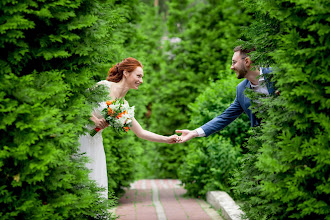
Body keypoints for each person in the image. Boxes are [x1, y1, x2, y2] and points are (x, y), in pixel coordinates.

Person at [79, 57, 179, 199]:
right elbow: (79, 103)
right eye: (138, 76)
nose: (141, 80)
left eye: (142, 77)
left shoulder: (123, 105)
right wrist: (94, 120)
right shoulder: (103, 86)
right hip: (80, 135)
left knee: (95, 180)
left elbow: (141, 132)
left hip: (95, 143)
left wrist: (167, 139)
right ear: (126, 73)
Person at [176, 46, 275, 142]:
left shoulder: (277, 74)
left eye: (234, 62)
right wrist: (194, 133)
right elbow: (225, 117)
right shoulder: (241, 90)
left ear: (247, 61)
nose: (232, 67)